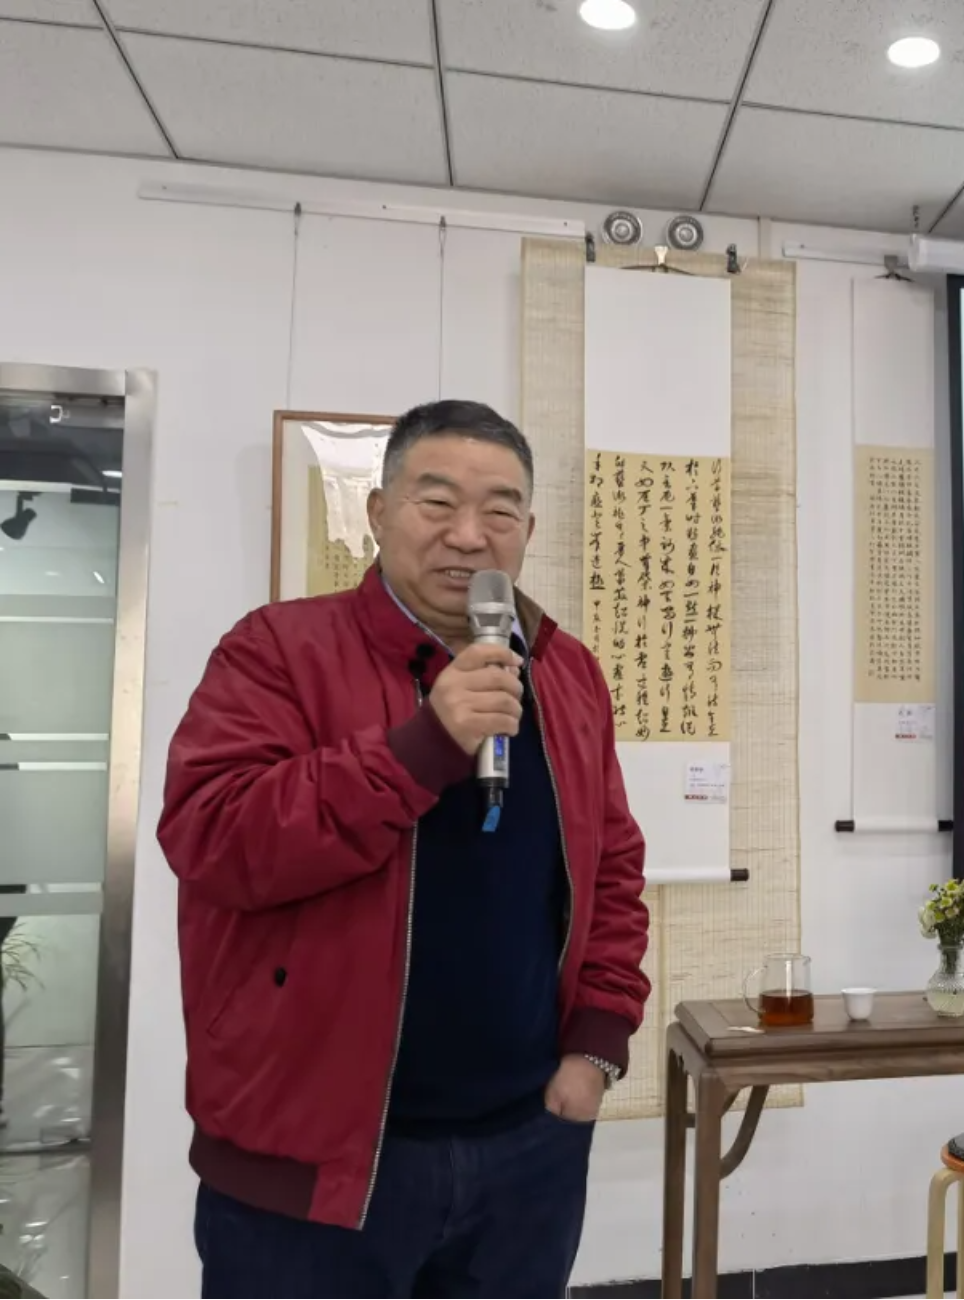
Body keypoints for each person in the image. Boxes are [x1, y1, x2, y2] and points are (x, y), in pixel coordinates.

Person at [158, 400, 650, 1298]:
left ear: (528, 529)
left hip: (526, 1147)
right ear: (379, 512)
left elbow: (611, 866)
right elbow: (215, 838)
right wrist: (420, 747)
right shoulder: (278, 650)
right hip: (314, 1162)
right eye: (438, 502)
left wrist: (597, 1046)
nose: (469, 535)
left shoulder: (565, 671)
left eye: (499, 510)